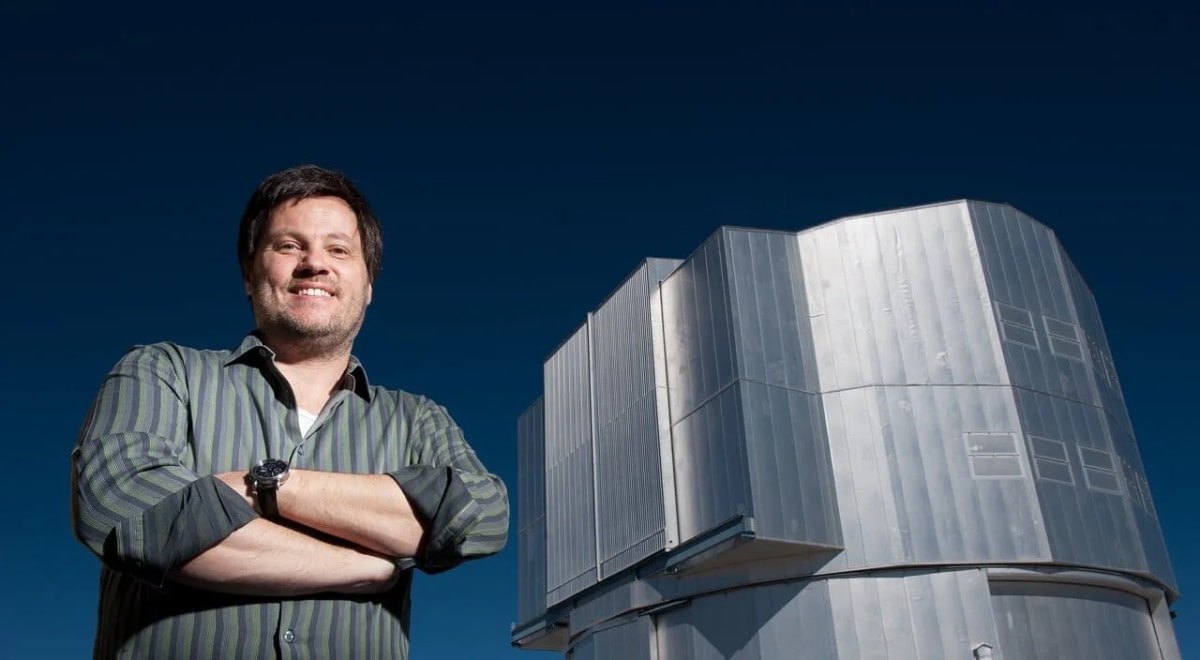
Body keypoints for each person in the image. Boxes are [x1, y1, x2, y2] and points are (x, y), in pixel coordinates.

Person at [69, 164, 509, 658]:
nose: (314, 264)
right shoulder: (160, 372)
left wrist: (268, 487)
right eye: (288, 245)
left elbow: (481, 516)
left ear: (367, 286)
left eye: (339, 249)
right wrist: (362, 564)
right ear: (249, 272)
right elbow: (122, 507)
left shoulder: (417, 419)